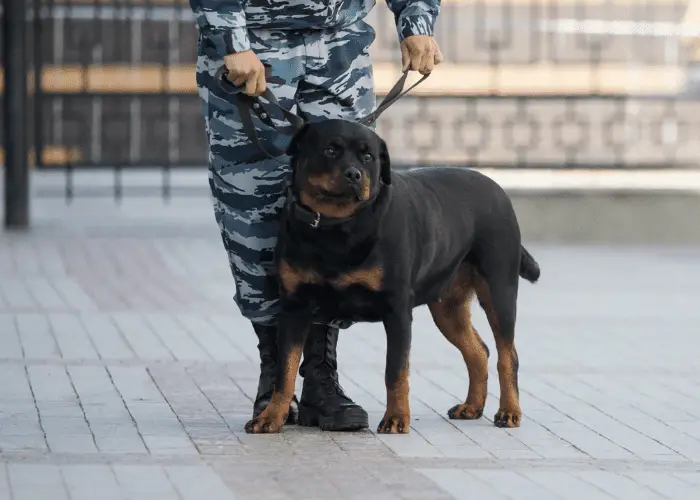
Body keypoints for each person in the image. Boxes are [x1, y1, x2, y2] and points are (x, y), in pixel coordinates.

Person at [190, 0, 443, 431]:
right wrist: (231, 39)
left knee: (346, 213)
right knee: (252, 215)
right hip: (255, 50)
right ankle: (275, 375)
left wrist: (415, 21)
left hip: (338, 48)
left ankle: (320, 378)